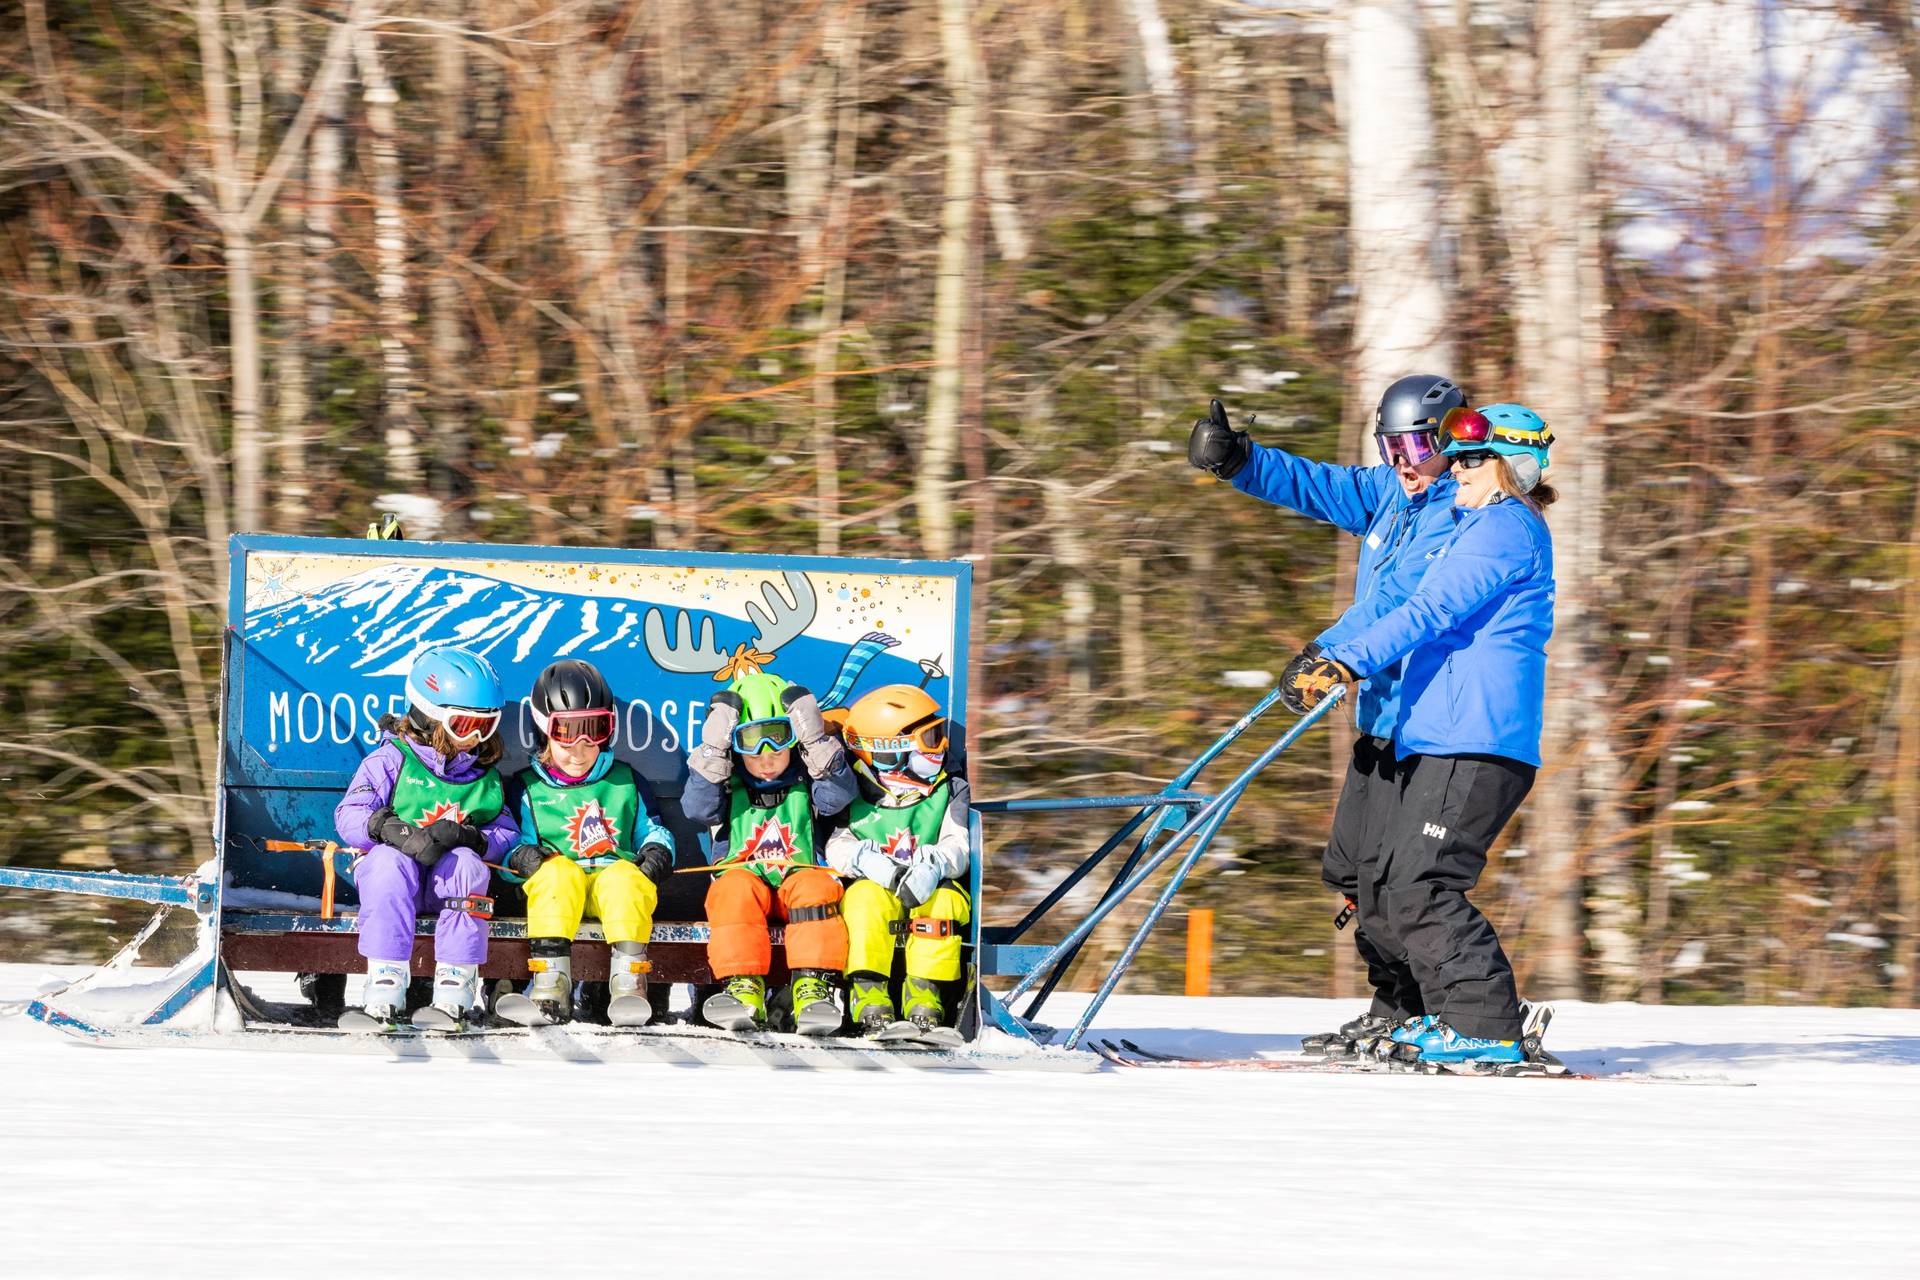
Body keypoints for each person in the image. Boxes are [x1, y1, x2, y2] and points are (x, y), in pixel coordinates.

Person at [1189, 374, 1468, 1056]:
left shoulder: (1461, 512)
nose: (1401, 459)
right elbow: (1320, 485)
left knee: (1406, 877)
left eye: (1413, 444)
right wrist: (1241, 461)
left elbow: (1400, 603)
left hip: (1432, 722)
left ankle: (1441, 1010)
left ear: (1450, 441)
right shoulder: (1391, 495)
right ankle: (1393, 1004)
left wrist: (1329, 655)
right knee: (1358, 871)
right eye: (1389, 444)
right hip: (1380, 715)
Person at [1285, 403, 1556, 1067]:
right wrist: (1331, 653)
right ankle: (1440, 1014)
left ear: (1510, 468)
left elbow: (1429, 613)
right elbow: (1401, 603)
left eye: (1471, 459)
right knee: (1389, 880)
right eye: (1455, 456)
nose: (1455, 469)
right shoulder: (1474, 524)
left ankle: (1485, 1026)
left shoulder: (1504, 529)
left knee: (1423, 882)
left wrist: (1344, 661)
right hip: (1442, 736)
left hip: (1479, 738)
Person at [333, 645, 520, 1031]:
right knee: (387, 862)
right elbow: (350, 814)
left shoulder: (483, 777)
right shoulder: (390, 761)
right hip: (395, 882)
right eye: (465, 726)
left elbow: (506, 832)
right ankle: (385, 985)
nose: (477, 738)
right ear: (427, 717)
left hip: (445, 886)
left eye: (487, 726)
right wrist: (392, 830)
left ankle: (455, 988)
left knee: (468, 864)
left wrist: (472, 837)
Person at [498, 659, 676, 1027]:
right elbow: (512, 845)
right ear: (544, 728)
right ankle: (550, 983)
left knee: (627, 879)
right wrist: (523, 858)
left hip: (610, 882)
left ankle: (629, 982)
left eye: (593, 731)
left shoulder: (625, 781)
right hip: (561, 889)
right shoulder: (528, 788)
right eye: (567, 733)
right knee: (555, 874)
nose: (580, 749)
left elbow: (653, 830)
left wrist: (658, 851)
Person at [683, 670, 857, 1035]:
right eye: (752, 748)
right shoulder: (726, 780)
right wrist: (713, 750)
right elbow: (697, 809)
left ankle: (812, 987)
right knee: (731, 890)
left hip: (798, 880)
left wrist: (817, 743)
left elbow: (836, 799)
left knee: (817, 887)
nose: (765, 760)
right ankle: (743, 986)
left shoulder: (807, 775)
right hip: (749, 884)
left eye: (777, 747)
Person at [822, 685, 972, 1041]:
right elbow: (836, 844)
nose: (938, 747)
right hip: (878, 886)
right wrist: (863, 860)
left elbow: (959, 843)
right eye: (928, 738)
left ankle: (925, 996)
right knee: (863, 901)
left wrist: (936, 863)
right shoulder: (856, 792)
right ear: (890, 751)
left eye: (936, 734)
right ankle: (868, 995)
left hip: (931, 884)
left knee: (945, 902)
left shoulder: (948, 789)